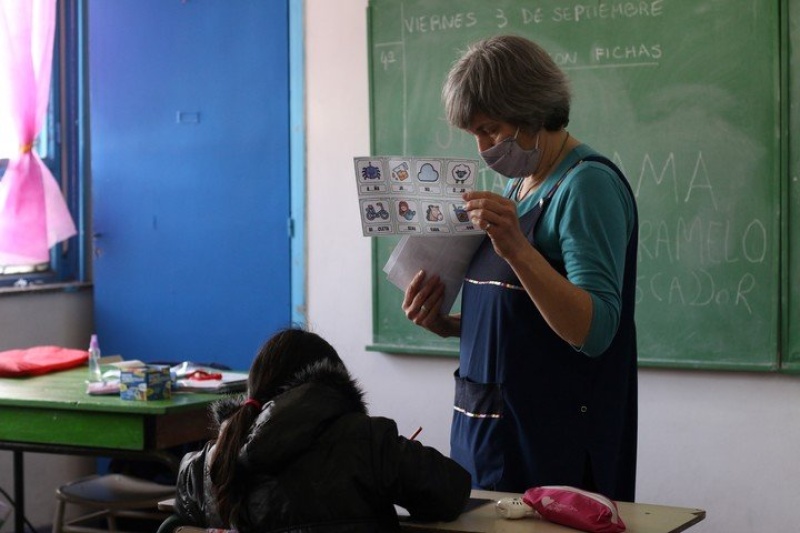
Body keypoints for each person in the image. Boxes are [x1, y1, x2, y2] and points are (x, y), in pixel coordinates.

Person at [402, 35, 638, 501]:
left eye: (490, 129)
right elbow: (524, 317)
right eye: (473, 133)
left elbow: (595, 331)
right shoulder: (520, 186)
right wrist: (450, 325)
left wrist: (516, 248)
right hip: (489, 436)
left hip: (551, 445)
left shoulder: (586, 186)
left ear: (531, 112)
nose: (483, 147)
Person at [171, 328, 471, 532]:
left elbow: (181, 516)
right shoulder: (367, 439)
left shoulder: (214, 460)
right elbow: (452, 491)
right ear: (337, 379)